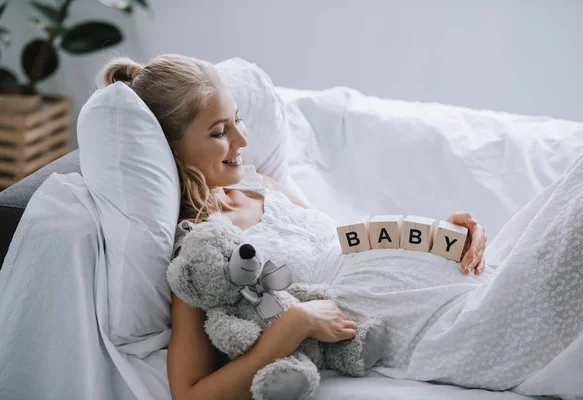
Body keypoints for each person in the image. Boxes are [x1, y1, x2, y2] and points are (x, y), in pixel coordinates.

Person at [100, 54, 489, 400]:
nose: (242, 138)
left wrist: (436, 234)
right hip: (406, 321)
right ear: (171, 149)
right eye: (220, 132)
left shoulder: (259, 184)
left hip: (449, 274)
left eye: (238, 120)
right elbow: (191, 394)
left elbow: (341, 242)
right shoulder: (204, 249)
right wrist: (296, 323)